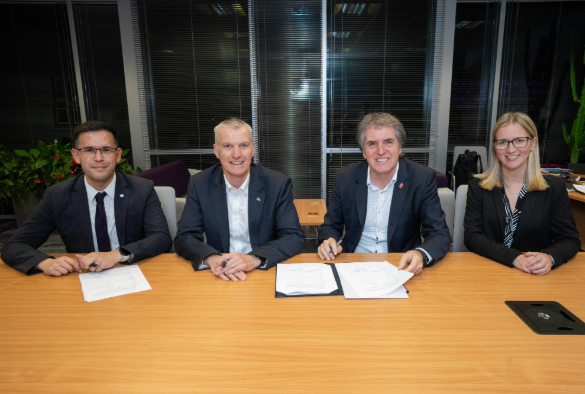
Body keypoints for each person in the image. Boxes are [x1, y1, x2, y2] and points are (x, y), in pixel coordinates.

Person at [1, 121, 172, 276]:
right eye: (89, 150)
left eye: (106, 150)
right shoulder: (58, 195)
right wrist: (45, 263)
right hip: (83, 276)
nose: (99, 158)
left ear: (118, 155)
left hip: (134, 271)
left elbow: (161, 237)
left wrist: (115, 255)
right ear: (76, 156)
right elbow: (13, 245)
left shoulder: (141, 189)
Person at [317, 112, 452, 274]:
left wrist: (421, 254)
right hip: (353, 265)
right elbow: (330, 225)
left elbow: (439, 233)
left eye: (388, 142)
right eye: (372, 144)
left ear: (400, 147)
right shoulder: (345, 178)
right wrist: (328, 240)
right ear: (364, 152)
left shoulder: (421, 179)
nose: (381, 151)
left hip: (401, 266)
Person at [174, 118, 304, 282]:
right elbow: (185, 237)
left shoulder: (277, 184)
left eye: (243, 145)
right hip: (220, 273)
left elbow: (293, 236)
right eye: (228, 146)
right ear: (216, 151)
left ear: (253, 149)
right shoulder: (200, 184)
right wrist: (213, 259)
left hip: (263, 272)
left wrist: (254, 259)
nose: (236, 154)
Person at [464, 112, 580, 274]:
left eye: (519, 141)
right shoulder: (478, 186)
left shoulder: (554, 187)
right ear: (494, 146)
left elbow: (570, 240)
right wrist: (514, 258)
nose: (511, 149)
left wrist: (549, 257)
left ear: (533, 143)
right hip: (488, 271)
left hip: (534, 275)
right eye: (503, 142)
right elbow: (472, 237)